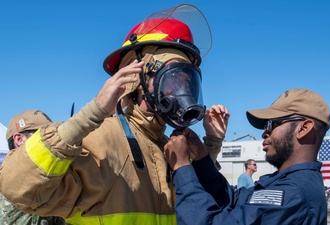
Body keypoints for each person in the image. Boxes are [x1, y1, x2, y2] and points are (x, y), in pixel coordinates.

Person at [0, 4, 229, 224]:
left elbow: (196, 200)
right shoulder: (100, 139)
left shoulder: (168, 146)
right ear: (135, 80)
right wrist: (90, 115)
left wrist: (212, 144)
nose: (182, 91)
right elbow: (17, 187)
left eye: (188, 82)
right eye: (174, 79)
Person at [165, 88, 330, 225]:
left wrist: (182, 167)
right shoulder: (287, 182)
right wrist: (202, 159)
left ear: (304, 129)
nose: (265, 133)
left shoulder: (293, 194)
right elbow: (234, 200)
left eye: (272, 124)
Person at [0, 110, 65, 225]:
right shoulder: (5, 183)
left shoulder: (59, 178)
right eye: (43, 136)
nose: (51, 141)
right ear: (19, 140)